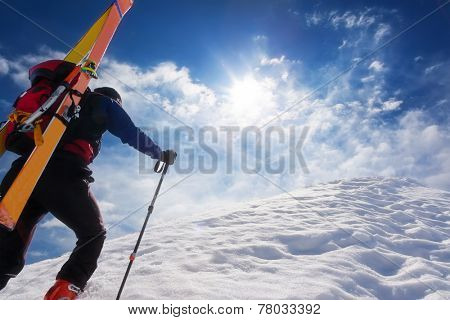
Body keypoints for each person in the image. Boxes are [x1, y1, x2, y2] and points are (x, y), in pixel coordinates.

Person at [0, 87, 177, 299]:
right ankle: (65, 292)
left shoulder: (57, 106)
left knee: (10, 240)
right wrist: (159, 154)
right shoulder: (102, 102)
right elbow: (129, 132)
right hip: (64, 173)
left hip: (23, 171)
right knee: (93, 233)